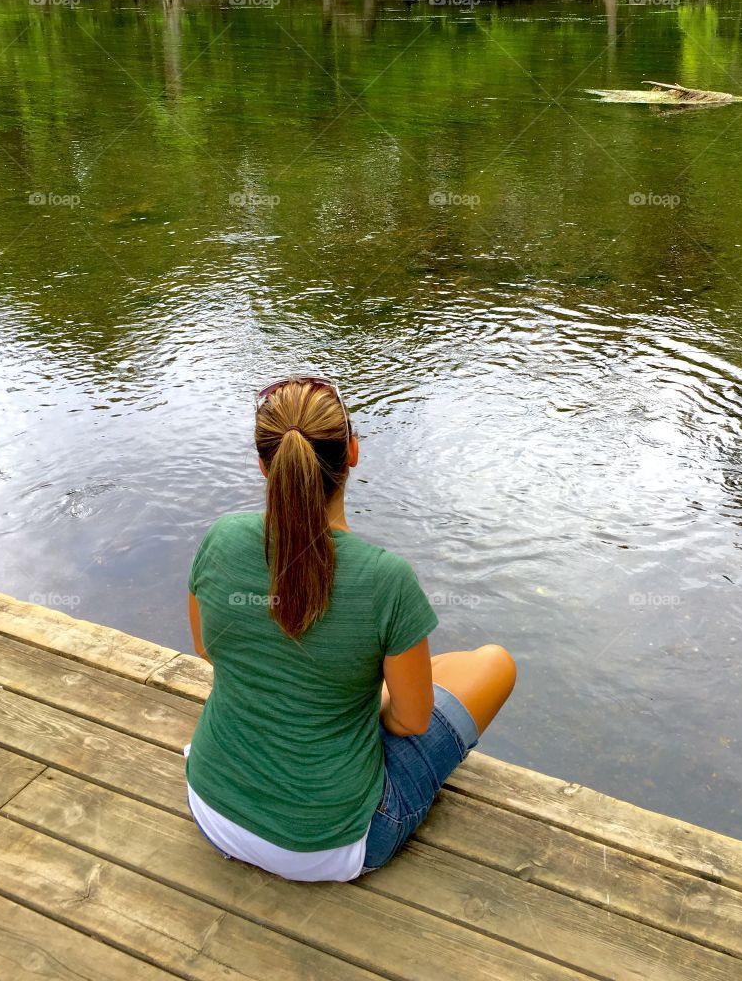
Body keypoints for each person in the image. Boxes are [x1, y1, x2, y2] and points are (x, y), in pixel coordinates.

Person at [185, 375, 516, 880]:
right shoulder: (386, 579)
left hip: (214, 806)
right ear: (353, 452)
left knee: (434, 671)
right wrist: (360, 697)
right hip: (328, 844)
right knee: (494, 663)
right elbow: (410, 723)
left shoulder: (221, 539)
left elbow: (208, 650)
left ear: (262, 464)